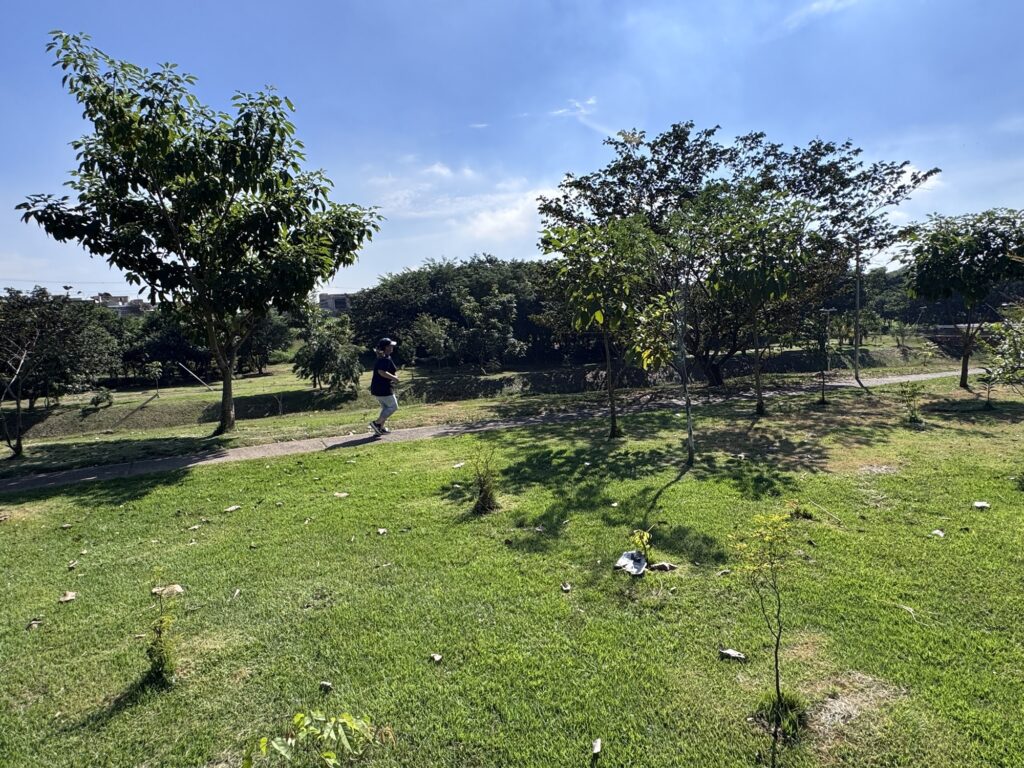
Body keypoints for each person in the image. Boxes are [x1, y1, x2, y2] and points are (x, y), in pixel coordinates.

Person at [369, 337, 400, 436]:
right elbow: (381, 372)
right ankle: (376, 423)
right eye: (390, 345)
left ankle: (380, 428)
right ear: (386, 347)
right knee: (393, 407)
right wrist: (394, 378)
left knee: (386, 408)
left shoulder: (383, 357)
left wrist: (394, 376)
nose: (392, 347)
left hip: (378, 388)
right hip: (383, 388)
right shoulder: (384, 358)